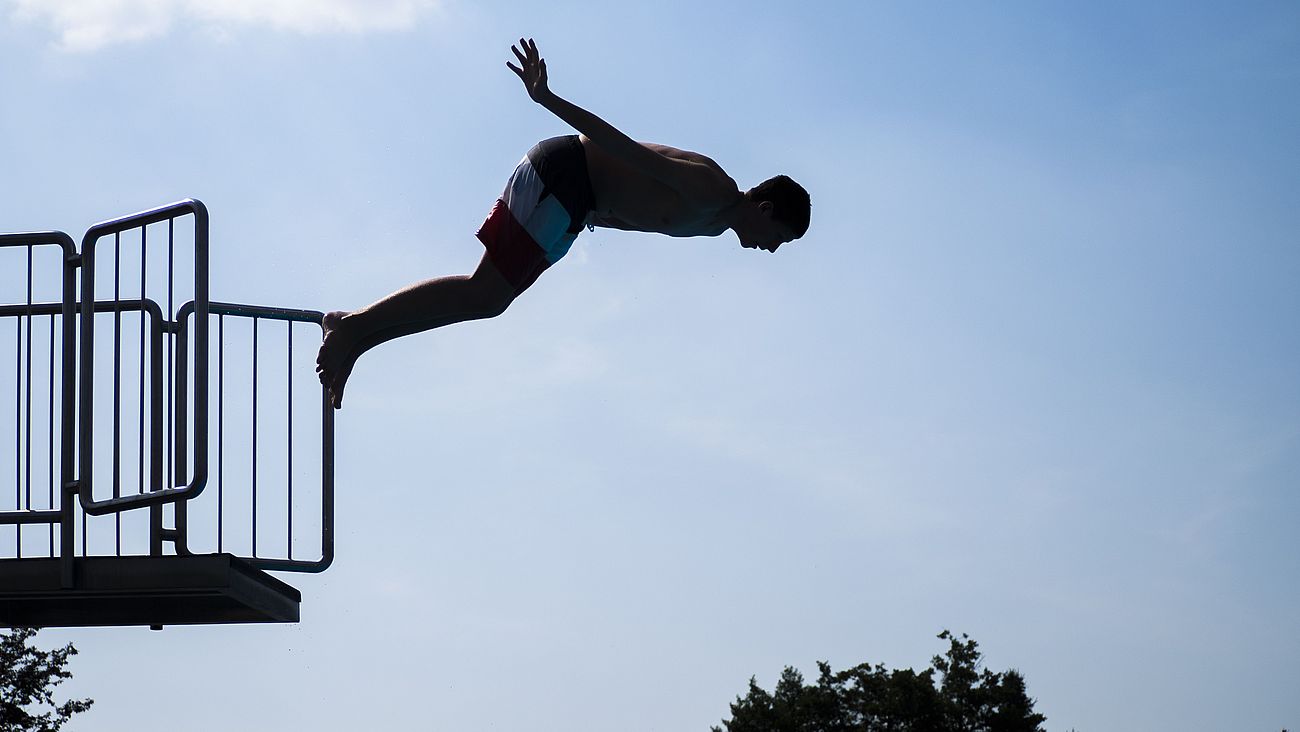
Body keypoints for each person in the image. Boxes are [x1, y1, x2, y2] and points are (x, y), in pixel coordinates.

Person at [316, 38, 811, 408]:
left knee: (488, 301)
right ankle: (352, 325)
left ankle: (358, 338)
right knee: (484, 293)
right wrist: (548, 99)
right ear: (765, 211)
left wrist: (582, 225)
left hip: (577, 208)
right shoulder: (712, 190)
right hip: (565, 172)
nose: (771, 250)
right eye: (779, 240)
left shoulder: (713, 225)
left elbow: (633, 212)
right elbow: (620, 146)